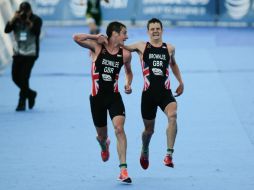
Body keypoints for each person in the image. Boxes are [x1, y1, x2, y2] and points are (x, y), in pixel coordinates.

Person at [73, 21, 133, 183]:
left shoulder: (126, 54)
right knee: (101, 136)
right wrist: (95, 36)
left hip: (114, 98)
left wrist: (128, 83)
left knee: (119, 129)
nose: (126, 37)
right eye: (124, 33)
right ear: (114, 34)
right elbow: (76, 37)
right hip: (97, 100)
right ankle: (104, 144)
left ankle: (123, 170)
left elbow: (129, 72)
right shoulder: (97, 47)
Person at [123, 18, 184, 169]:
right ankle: (144, 148)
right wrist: (102, 43)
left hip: (165, 94)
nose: (155, 31)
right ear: (148, 31)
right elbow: (121, 48)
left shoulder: (169, 48)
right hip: (148, 96)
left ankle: (169, 155)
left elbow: (174, 64)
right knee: (149, 131)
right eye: (152, 29)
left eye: (158, 28)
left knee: (173, 116)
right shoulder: (141, 46)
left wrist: (180, 82)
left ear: (162, 30)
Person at [4, 1, 42, 111]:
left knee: (24, 77)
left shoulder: (36, 19)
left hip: (31, 53)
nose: (24, 13)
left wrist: (29, 22)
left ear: (30, 11)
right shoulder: (16, 19)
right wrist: (13, 19)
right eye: (22, 11)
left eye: (26, 11)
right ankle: (31, 94)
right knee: (15, 77)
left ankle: (21, 102)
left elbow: (37, 32)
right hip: (18, 53)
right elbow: (6, 30)